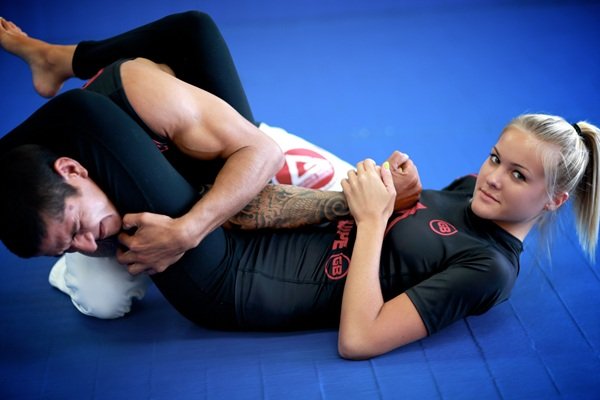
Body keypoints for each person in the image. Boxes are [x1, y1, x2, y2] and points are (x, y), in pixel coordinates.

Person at [2, 12, 598, 360]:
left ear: (554, 200)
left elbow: (360, 338)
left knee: (88, 114)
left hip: (230, 278)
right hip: (257, 217)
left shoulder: (490, 271)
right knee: (192, 34)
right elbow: (412, 223)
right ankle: (60, 61)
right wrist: (402, 192)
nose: (492, 177)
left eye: (518, 175)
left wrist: (371, 220)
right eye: (496, 158)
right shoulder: (471, 192)